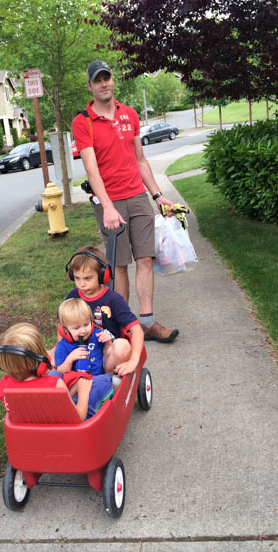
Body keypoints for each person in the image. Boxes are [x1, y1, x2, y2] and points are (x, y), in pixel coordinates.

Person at [72, 60, 179, 344]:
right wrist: (107, 207)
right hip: (110, 202)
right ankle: (124, 328)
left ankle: (147, 323)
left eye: (107, 78)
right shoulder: (83, 121)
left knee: (145, 258)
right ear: (90, 85)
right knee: (119, 265)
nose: (104, 84)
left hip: (138, 197)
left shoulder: (129, 114)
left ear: (112, 80)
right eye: (98, 80)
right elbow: (91, 169)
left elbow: (140, 160)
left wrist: (157, 195)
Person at [0, 322, 112, 421]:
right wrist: (83, 392)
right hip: (64, 427)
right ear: (41, 359)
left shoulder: (3, 385)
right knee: (103, 381)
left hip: (36, 421)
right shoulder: (55, 384)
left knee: (55, 374)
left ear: (0, 364)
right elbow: (78, 418)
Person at [64, 246, 144, 377]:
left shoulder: (113, 300)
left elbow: (136, 330)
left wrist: (133, 361)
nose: (81, 284)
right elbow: (62, 327)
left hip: (107, 353)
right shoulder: (72, 296)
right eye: (77, 278)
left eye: (87, 278)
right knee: (51, 353)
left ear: (103, 275)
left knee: (122, 345)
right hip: (79, 351)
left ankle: (107, 376)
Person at [55, 297, 131, 375]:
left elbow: (108, 355)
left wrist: (108, 343)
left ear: (91, 321)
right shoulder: (63, 346)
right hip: (77, 380)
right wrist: (70, 359)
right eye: (77, 328)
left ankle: (110, 376)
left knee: (122, 344)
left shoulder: (96, 335)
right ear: (65, 330)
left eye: (86, 324)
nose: (83, 330)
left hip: (100, 377)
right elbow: (60, 371)